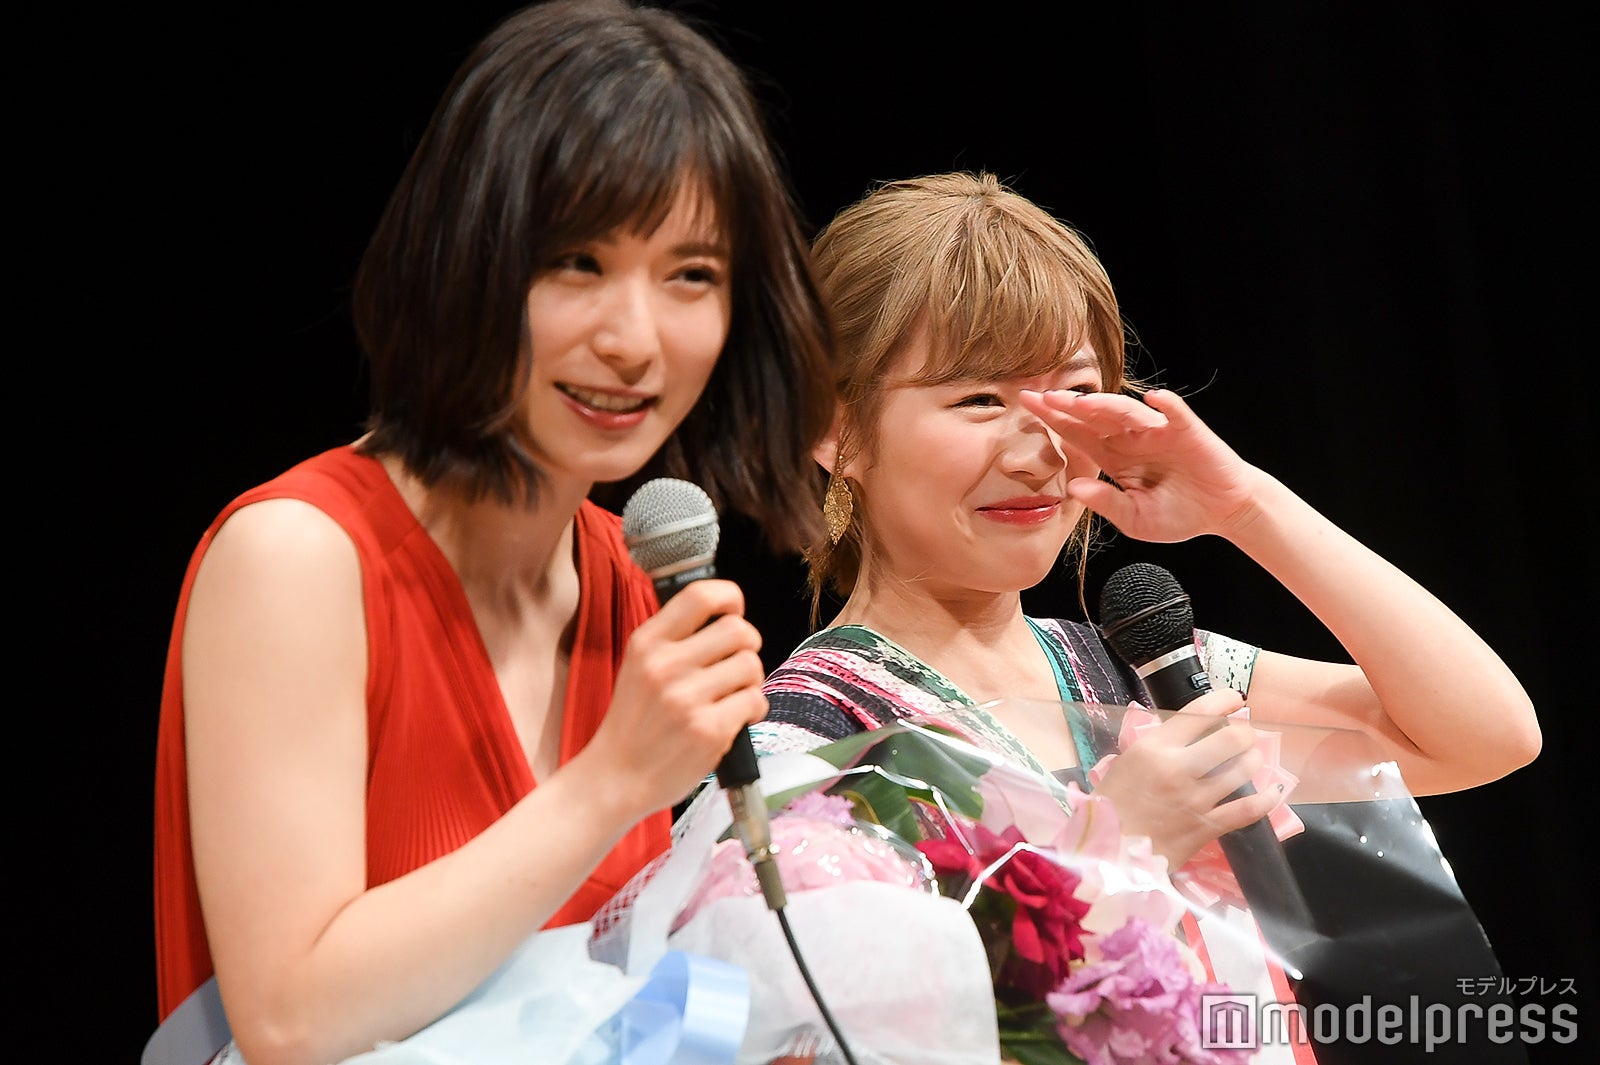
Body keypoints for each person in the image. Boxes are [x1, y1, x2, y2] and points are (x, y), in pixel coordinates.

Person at [149, 3, 833, 1064]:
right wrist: (610, 781)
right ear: (464, 260)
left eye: (691, 274)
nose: (634, 340)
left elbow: (586, 997)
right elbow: (288, 1017)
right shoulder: (296, 557)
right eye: (577, 262)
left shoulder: (626, 575)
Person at [752, 173, 1542, 1065]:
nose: (1040, 450)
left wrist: (1246, 505)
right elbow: (830, 1033)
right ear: (838, 430)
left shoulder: (1145, 670)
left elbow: (1487, 735)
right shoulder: (805, 734)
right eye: (980, 399)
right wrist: (1110, 847)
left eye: (1074, 395)